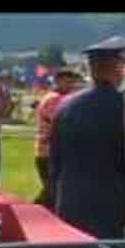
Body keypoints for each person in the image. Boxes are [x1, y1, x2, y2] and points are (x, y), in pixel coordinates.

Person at [49, 36, 125, 238]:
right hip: (109, 204)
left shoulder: (65, 105)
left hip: (70, 200)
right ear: (118, 68)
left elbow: (55, 163)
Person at [33, 67, 81, 208]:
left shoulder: (60, 98)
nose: (72, 85)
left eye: (73, 81)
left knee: (52, 192)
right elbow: (60, 125)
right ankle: (31, 214)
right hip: (48, 152)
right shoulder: (54, 99)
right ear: (59, 81)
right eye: (69, 81)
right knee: (52, 193)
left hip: (52, 151)